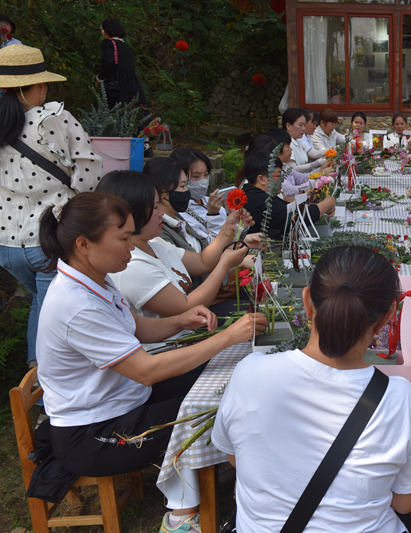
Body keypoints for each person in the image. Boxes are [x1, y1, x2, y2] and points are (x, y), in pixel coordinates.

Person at [33, 192, 265, 533]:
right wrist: (227, 337)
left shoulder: (95, 278)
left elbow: (137, 327)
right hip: (94, 433)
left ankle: (221, 476)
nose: (132, 245)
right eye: (124, 238)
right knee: (215, 408)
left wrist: (180, 321)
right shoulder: (74, 304)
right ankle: (182, 515)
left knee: (219, 378)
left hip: (124, 399)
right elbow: (146, 370)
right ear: (84, 244)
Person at [212, 246, 411, 532]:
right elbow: (404, 503)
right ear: (387, 320)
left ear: (307, 302)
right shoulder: (399, 398)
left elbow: (235, 457)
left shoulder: (249, 373)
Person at [0, 44, 102, 366]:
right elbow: (88, 175)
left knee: (41, 305)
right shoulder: (53, 119)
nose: (45, 90)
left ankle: (39, 386)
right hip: (49, 237)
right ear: (30, 88)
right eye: (42, 83)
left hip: (6, 245)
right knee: (50, 312)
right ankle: (47, 392)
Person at [97, 171, 250, 318]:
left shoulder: (156, 244)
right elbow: (186, 307)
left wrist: (228, 229)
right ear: (133, 212)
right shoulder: (132, 265)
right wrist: (224, 265)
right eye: (156, 207)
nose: (161, 213)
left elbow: (203, 261)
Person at [242, 141, 335, 241]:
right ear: (262, 179)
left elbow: (285, 206)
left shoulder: (252, 191)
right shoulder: (258, 199)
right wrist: (329, 202)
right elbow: (296, 218)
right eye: (278, 175)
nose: (282, 180)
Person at [143, 157, 207, 253]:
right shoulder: (158, 232)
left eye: (186, 185)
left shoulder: (176, 217)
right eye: (182, 186)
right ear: (163, 193)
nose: (187, 191)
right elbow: (197, 265)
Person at [169, 147, 228, 241]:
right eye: (196, 176)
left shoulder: (209, 201)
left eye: (206, 174)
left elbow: (231, 236)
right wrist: (214, 216)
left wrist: (239, 222)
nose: (203, 181)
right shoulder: (179, 213)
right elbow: (209, 250)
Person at [97, 18, 146, 108]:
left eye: (102, 28)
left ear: (108, 30)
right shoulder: (126, 46)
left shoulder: (108, 43)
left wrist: (100, 78)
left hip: (116, 83)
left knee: (113, 110)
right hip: (131, 84)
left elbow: (108, 63)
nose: (102, 31)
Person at [283, 108, 325, 173]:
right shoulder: (287, 145)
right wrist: (316, 163)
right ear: (288, 126)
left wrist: (332, 151)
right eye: (300, 125)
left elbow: (313, 153)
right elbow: (292, 170)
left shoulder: (298, 141)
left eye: (304, 125)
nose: (303, 128)